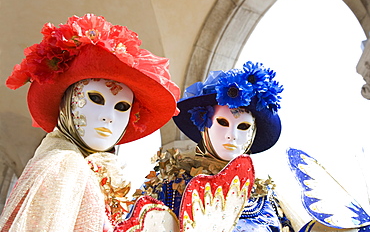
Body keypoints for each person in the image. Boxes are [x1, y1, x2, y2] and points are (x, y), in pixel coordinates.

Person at [0, 14, 180, 231]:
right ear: (66, 104)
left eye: (122, 107)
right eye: (96, 99)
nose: (109, 116)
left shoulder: (84, 167)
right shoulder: (65, 166)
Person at [144, 62, 294, 231]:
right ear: (204, 125)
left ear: (253, 133)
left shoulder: (266, 200)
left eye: (243, 126)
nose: (232, 135)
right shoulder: (170, 188)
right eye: (223, 122)